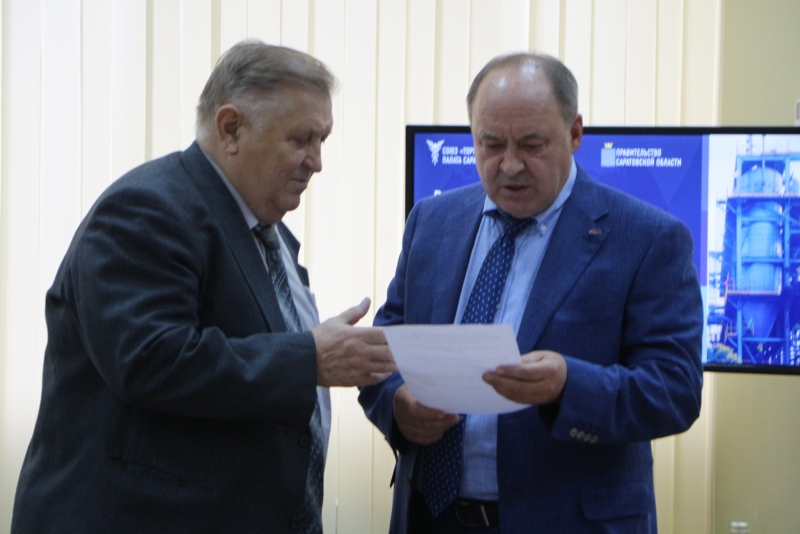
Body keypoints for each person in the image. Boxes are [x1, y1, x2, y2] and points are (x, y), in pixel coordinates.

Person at [11, 40, 395, 534]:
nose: (316, 162)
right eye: (301, 139)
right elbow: (149, 360)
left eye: (322, 140)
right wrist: (308, 359)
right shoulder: (147, 209)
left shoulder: (267, 232)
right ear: (230, 128)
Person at [359, 52, 703, 533]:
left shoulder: (646, 238)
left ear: (575, 133)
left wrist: (568, 386)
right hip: (429, 516)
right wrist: (397, 405)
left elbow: (675, 390)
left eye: (532, 144)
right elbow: (385, 348)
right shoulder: (432, 222)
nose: (510, 164)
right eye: (491, 144)